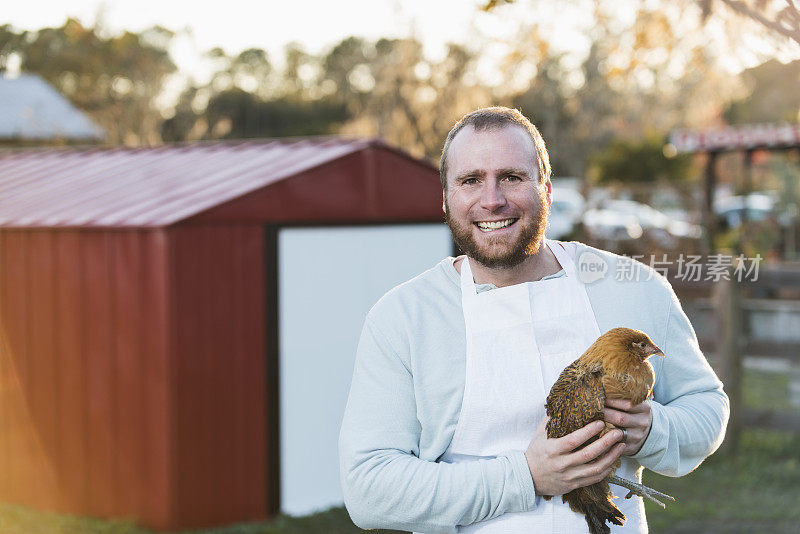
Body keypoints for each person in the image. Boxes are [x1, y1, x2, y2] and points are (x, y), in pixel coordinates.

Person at [339, 106, 729, 533]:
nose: (492, 199)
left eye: (512, 177)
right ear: (446, 199)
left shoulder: (630, 287)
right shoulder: (405, 317)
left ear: (545, 189)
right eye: (471, 181)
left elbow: (707, 406)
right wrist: (525, 477)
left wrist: (653, 429)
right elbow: (369, 489)